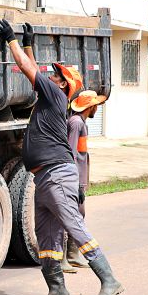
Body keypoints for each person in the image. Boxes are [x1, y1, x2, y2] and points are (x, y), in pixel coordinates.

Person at [0, 19, 123, 295]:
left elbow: (29, 70)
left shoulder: (54, 94)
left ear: (64, 85)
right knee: (47, 236)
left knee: (73, 226)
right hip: (44, 177)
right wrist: (29, 43)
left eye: (56, 76)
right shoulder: (50, 97)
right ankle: (57, 290)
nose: (50, 77)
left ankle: (109, 280)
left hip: (57, 174)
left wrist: (11, 40)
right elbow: (35, 69)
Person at [63, 90, 107, 271]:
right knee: (69, 217)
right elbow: (70, 154)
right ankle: (62, 260)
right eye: (96, 105)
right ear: (91, 107)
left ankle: (72, 255)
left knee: (79, 215)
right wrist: (74, 183)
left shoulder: (81, 123)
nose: (97, 108)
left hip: (79, 179)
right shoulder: (75, 123)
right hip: (74, 179)